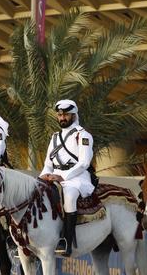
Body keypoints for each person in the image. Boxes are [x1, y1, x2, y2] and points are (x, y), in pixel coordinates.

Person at [39, 99, 94, 256]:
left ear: (74, 115)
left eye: (66, 115)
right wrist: (43, 177)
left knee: (68, 197)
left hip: (77, 178)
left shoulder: (83, 135)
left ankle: (66, 241)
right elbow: (48, 163)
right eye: (60, 115)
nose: (62, 118)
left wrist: (61, 176)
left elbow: (84, 163)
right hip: (54, 175)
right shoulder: (55, 137)